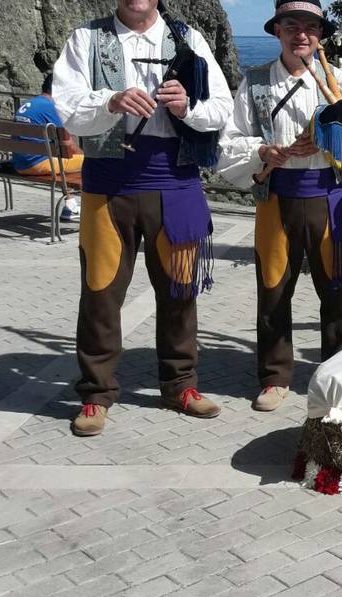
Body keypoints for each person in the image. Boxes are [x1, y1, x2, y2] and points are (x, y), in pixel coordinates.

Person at [53, 0, 234, 436]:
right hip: (108, 184)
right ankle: (96, 394)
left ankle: (181, 386)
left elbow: (223, 108)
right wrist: (110, 100)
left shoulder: (187, 37)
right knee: (100, 291)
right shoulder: (85, 38)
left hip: (174, 178)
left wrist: (187, 107)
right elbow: (67, 104)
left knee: (179, 289)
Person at [218, 0, 342, 412]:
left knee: (337, 291)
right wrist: (262, 152)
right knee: (273, 289)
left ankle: (339, 374)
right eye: (291, 25)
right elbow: (228, 143)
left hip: (326, 194)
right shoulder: (254, 83)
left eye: (310, 27)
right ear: (277, 32)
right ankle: (274, 376)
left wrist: (328, 141)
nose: (301, 34)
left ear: (320, 35)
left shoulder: (338, 80)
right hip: (276, 199)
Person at [12, 74, 85, 222]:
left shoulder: (28, 104)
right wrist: (84, 156)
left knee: (63, 160)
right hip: (37, 165)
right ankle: (93, 206)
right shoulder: (52, 107)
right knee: (92, 161)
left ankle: (70, 204)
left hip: (19, 164)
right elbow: (68, 144)